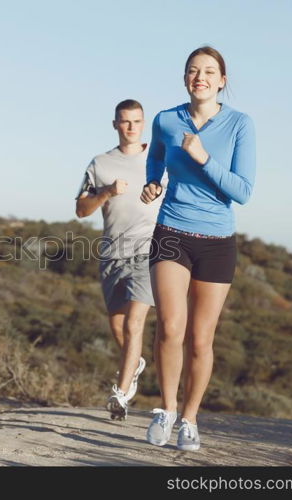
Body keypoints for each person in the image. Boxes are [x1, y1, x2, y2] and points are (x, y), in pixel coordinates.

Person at [140, 46, 256, 450]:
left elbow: (242, 191)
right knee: (171, 327)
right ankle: (166, 409)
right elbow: (155, 157)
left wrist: (203, 157)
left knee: (202, 339)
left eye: (209, 71)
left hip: (217, 242)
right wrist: (153, 182)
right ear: (185, 78)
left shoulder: (240, 124)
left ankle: (189, 419)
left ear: (222, 80)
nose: (200, 77)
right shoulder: (166, 119)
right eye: (193, 71)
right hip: (172, 231)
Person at [75, 99, 166, 420]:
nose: (131, 127)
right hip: (112, 255)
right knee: (118, 327)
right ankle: (136, 363)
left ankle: (121, 392)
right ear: (115, 124)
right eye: (125, 122)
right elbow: (81, 210)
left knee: (134, 323)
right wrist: (107, 193)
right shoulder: (100, 163)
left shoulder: (159, 159)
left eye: (137, 122)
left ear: (144, 123)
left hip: (149, 251)